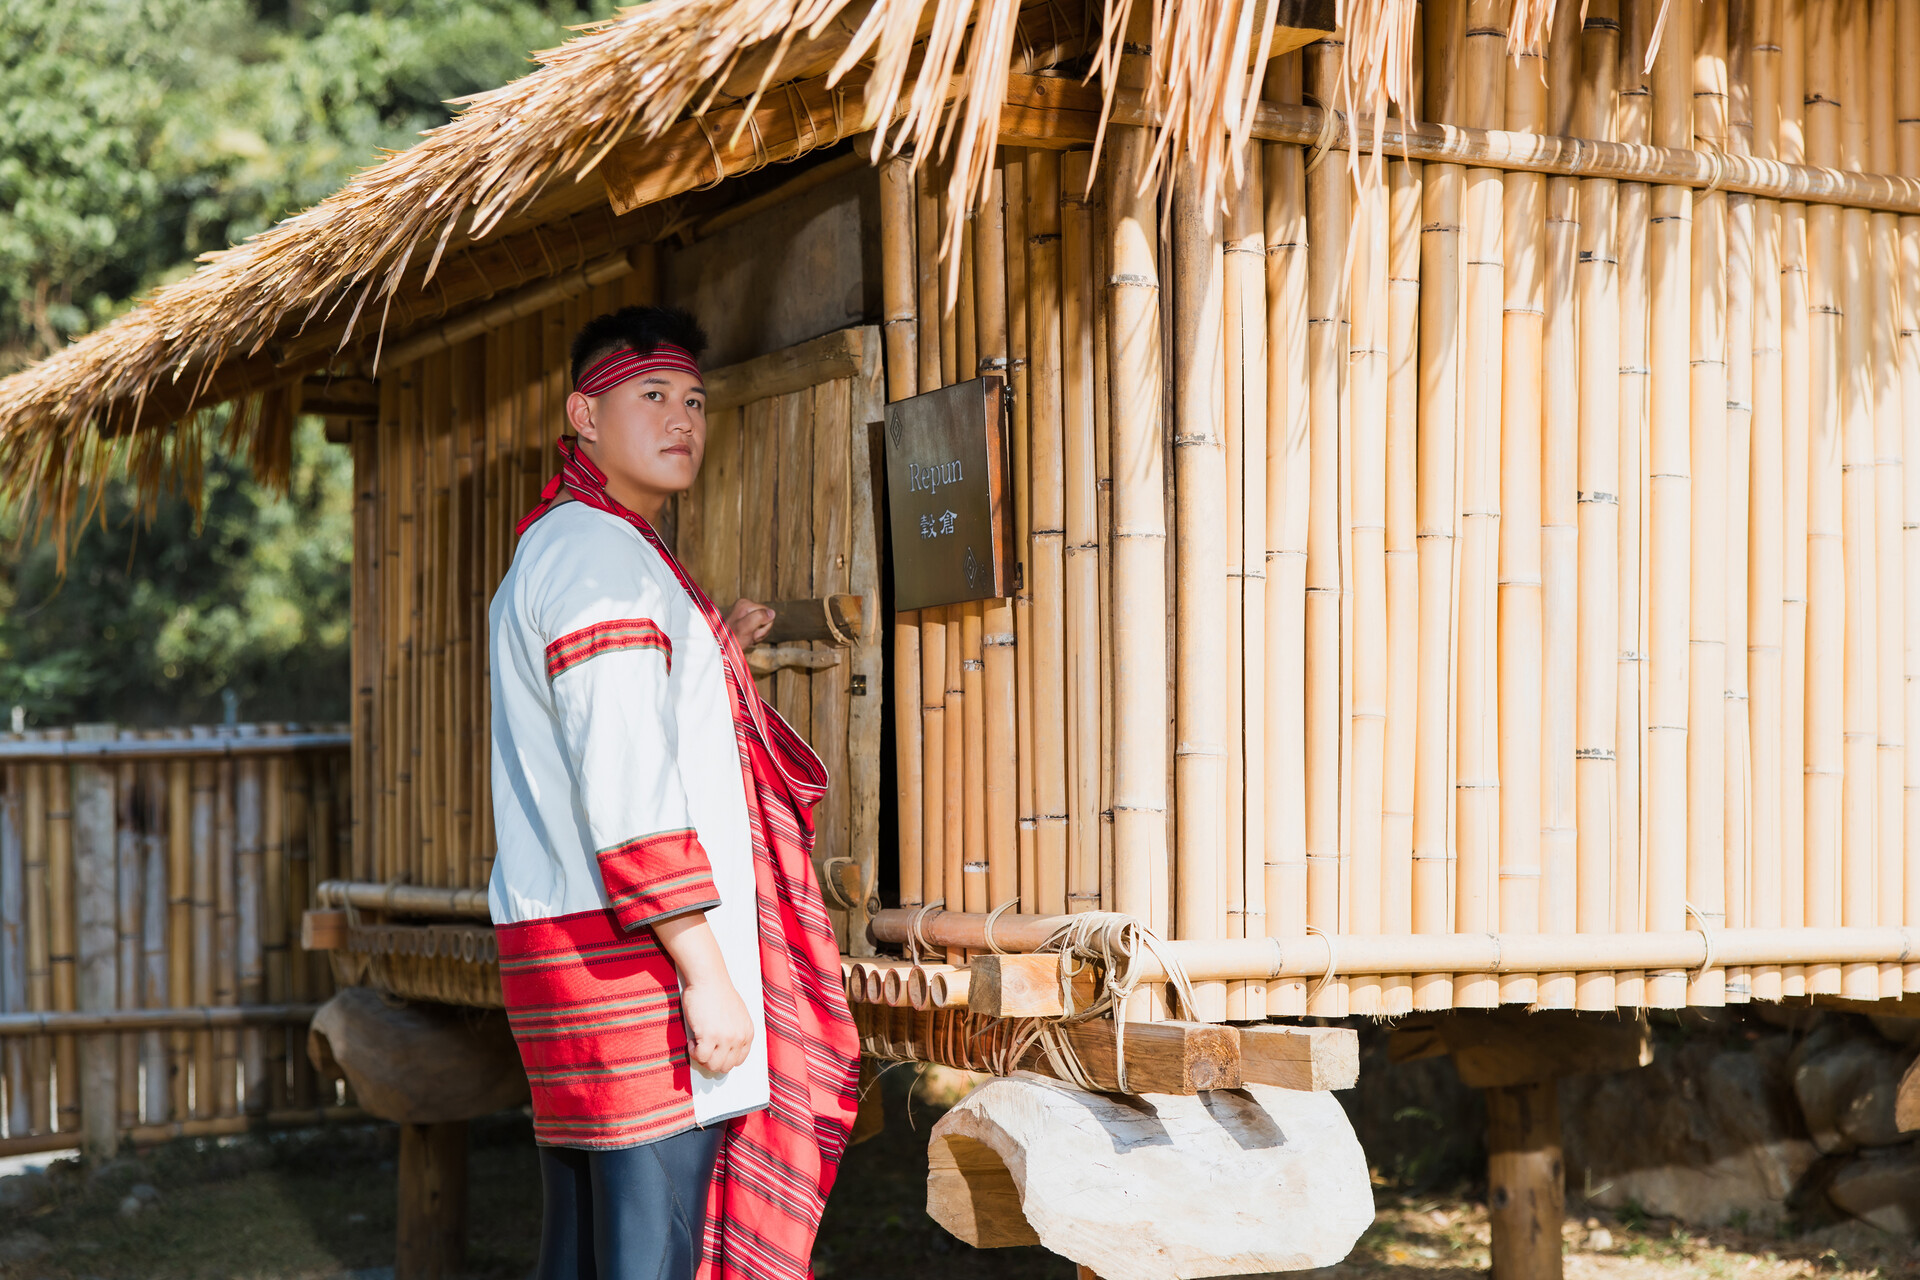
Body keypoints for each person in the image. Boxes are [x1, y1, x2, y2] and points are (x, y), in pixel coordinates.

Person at [486, 304, 859, 1280]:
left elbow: (626, 716)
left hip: (576, 943)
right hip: (638, 961)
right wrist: (705, 970)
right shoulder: (600, 560)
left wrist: (711, 649)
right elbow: (626, 777)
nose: (682, 417)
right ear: (584, 415)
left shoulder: (577, 545)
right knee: (650, 1253)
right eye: (651, 394)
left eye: (694, 400)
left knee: (585, 1248)